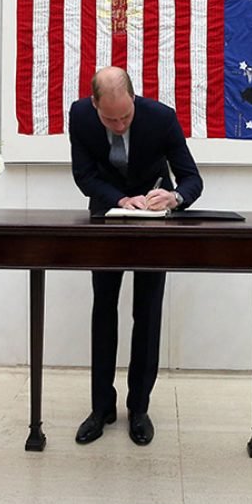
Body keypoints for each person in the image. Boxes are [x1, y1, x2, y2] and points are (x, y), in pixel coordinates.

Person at [68, 66, 203, 445]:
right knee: (103, 310)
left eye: (125, 116)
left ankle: (139, 407)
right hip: (107, 219)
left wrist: (174, 197)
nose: (120, 124)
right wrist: (118, 198)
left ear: (134, 99)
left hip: (153, 224)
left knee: (146, 313)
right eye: (110, 119)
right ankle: (101, 407)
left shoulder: (160, 117)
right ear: (94, 105)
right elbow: (84, 175)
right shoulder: (80, 115)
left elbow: (192, 178)